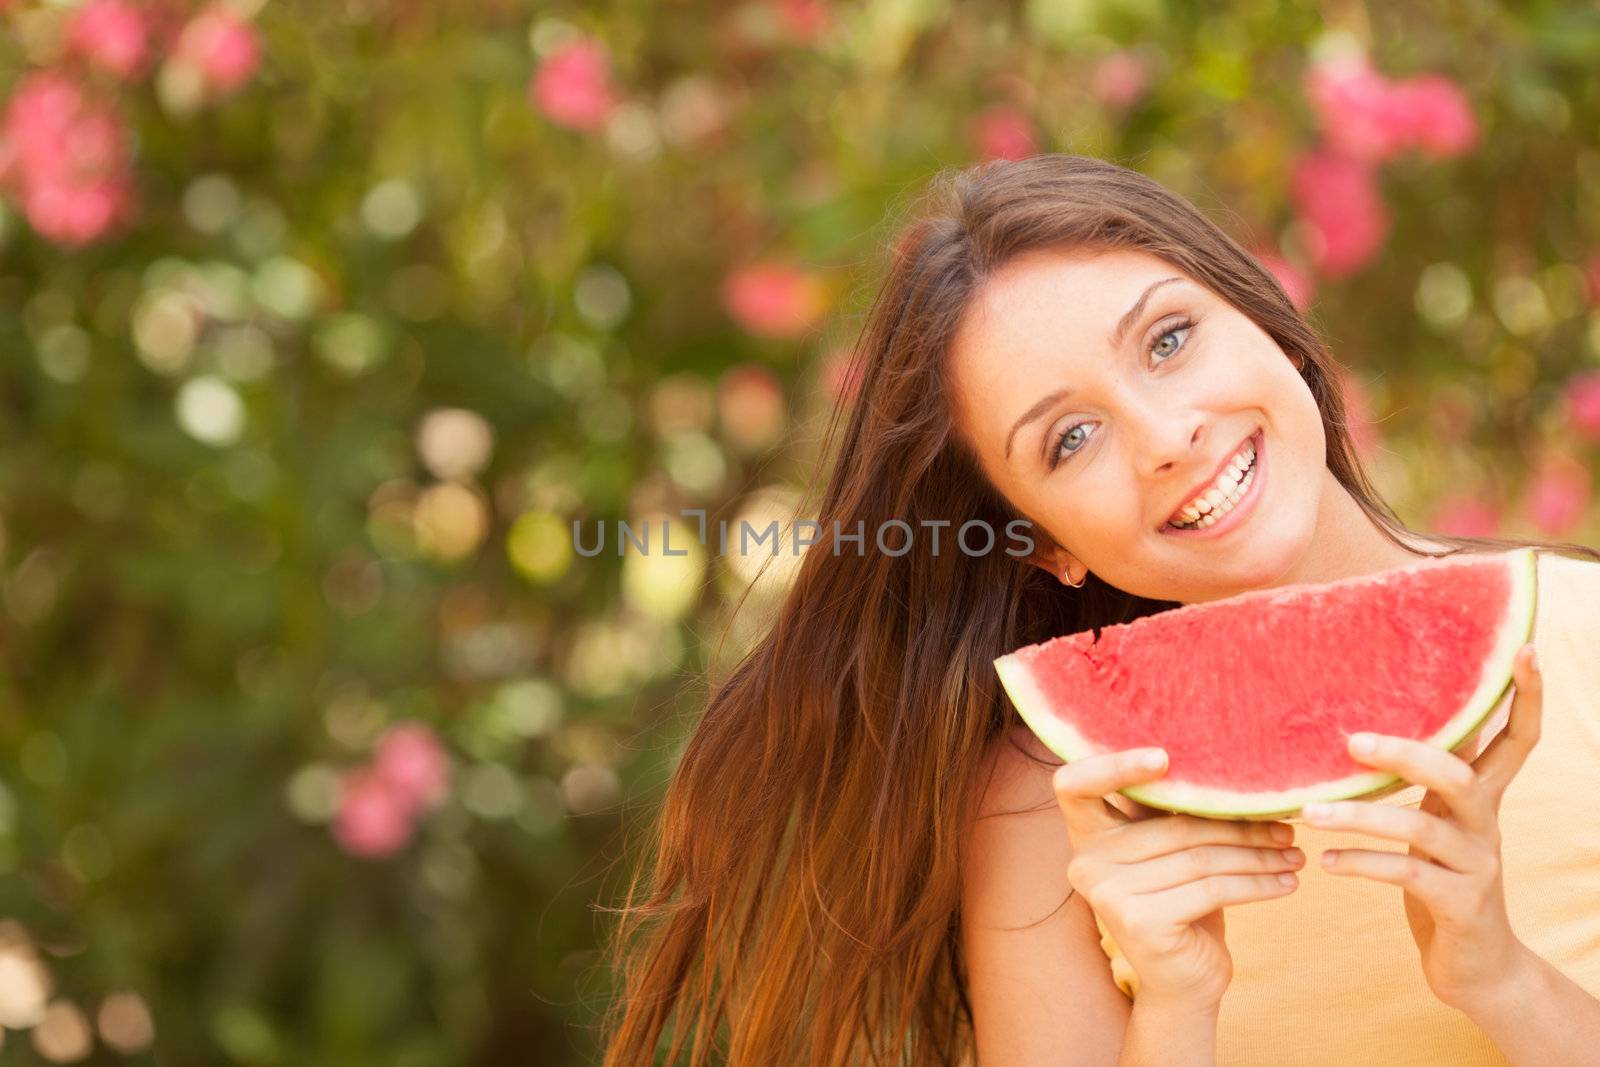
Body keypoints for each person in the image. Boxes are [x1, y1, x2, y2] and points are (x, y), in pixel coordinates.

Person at [599, 153, 1600, 1065]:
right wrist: (1175, 1003)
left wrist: (1499, 979)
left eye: (1169, 339)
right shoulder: (1051, 805)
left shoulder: (1582, 629)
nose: (1165, 435)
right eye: (1070, 438)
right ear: (1046, 542)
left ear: (1270, 325)